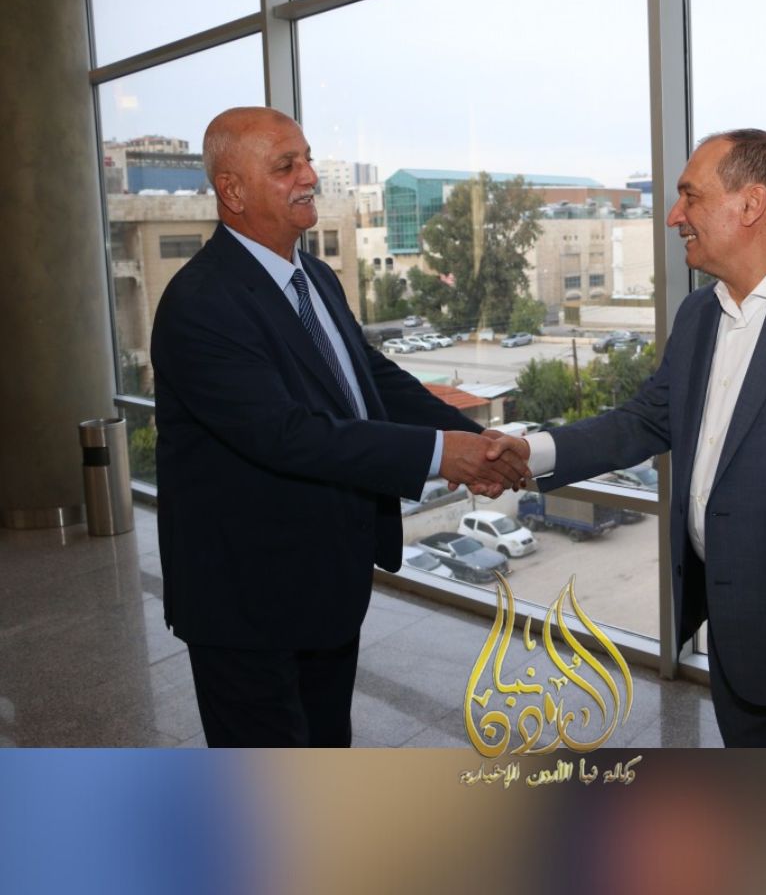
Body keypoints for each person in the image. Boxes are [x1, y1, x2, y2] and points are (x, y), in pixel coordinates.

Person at [495, 129, 766, 747]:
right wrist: (531, 451)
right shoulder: (699, 315)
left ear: (751, 204)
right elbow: (644, 420)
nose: (675, 216)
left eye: (690, 196)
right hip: (733, 650)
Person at [151, 106, 528, 747]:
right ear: (232, 190)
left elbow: (368, 378)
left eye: (306, 160)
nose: (309, 177)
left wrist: (476, 440)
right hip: (246, 601)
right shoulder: (201, 303)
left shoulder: (315, 277)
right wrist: (443, 454)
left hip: (325, 584)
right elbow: (287, 433)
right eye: (286, 166)